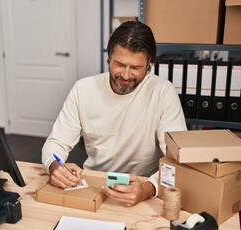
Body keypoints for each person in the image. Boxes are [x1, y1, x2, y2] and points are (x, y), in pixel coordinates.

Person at [42, 20, 187, 207]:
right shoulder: (83, 89)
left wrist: (149, 188)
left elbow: (177, 159)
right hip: (94, 184)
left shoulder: (163, 92)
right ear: (109, 56)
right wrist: (54, 166)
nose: (126, 76)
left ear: (150, 63)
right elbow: (56, 143)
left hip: (143, 185)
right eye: (119, 64)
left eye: (135, 68)